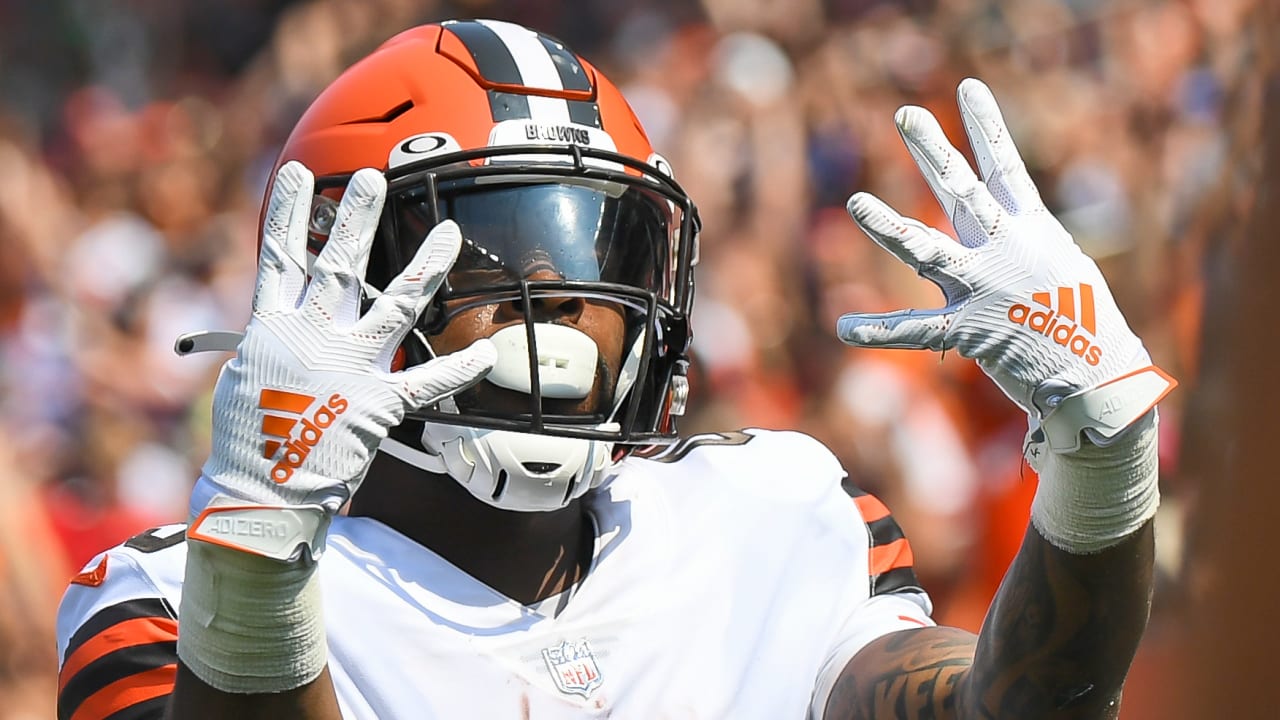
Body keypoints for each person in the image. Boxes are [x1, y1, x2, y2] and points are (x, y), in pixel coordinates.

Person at [54, 19, 1176, 720]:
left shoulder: (768, 510)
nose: (577, 302)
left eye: (608, 249)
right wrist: (254, 561)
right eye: (498, 250)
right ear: (337, 279)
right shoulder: (167, 598)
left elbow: (1014, 712)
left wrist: (1100, 459)